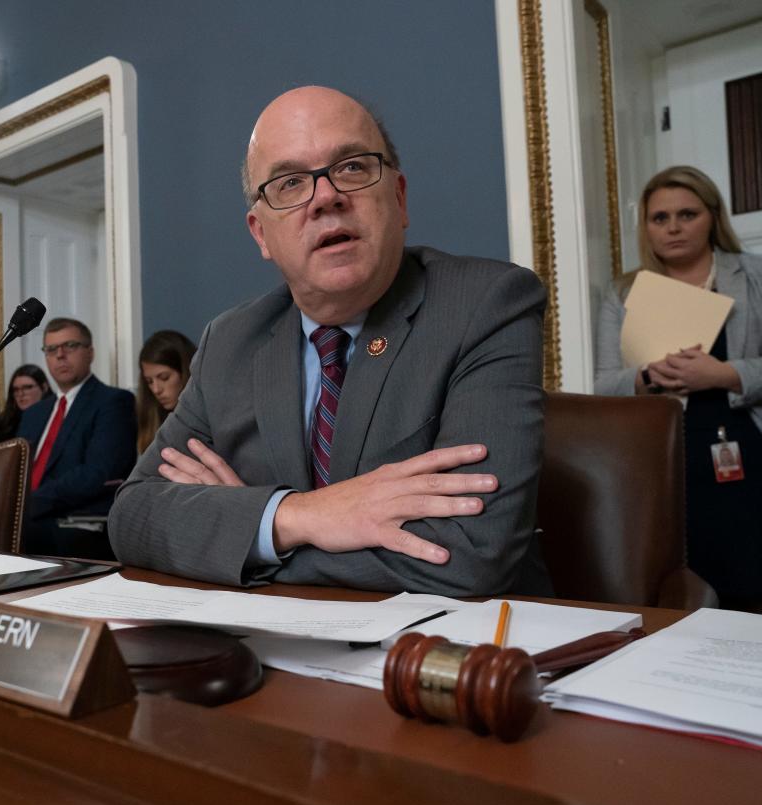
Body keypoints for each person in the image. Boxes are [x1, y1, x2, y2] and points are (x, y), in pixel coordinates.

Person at [109, 86, 549, 596]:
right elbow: (133, 516)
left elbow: (470, 555)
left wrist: (245, 535)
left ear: (399, 198)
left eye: (353, 168)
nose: (326, 197)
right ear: (260, 234)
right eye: (290, 183)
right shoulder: (228, 341)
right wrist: (298, 515)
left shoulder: (486, 304)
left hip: (458, 653)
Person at [595, 165, 762, 611]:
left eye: (687, 213)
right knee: (692, 599)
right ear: (647, 227)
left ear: (713, 217)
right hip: (675, 464)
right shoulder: (624, 293)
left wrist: (721, 375)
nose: (674, 227)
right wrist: (646, 376)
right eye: (660, 218)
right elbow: (603, 388)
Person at [19, 318, 136, 555]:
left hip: (74, 519)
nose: (60, 355)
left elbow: (98, 471)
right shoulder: (34, 413)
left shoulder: (112, 402)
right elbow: (15, 470)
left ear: (90, 353)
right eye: (51, 349)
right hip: (26, 516)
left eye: (70, 346)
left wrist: (28, 504)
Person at [136, 330, 197, 452]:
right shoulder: (151, 418)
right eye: (149, 381)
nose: (156, 389)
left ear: (185, 372)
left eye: (164, 378)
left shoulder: (207, 421)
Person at [0, 364, 52, 444]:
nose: (21, 394)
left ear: (44, 387)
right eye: (16, 390)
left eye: (27, 387)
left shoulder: (55, 415)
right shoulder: (7, 420)